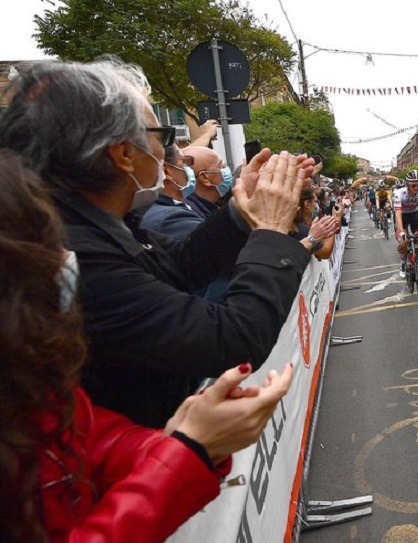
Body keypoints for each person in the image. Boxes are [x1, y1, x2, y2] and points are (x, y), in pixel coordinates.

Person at [0, 150, 293, 543]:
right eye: (45, 249)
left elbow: (89, 438)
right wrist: (188, 451)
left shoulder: (33, 386)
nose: (66, 262)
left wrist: (179, 439)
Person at [0, 59, 316, 427]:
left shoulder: (90, 224)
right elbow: (232, 340)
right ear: (123, 155)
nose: (170, 156)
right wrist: (273, 230)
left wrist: (242, 211)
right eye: (162, 137)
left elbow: (180, 264)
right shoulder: (78, 256)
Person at [140, 143, 205, 240]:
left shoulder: (142, 209)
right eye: (184, 162)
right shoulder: (174, 220)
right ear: (166, 171)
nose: (189, 169)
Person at [394, 169, 418, 277]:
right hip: (401, 216)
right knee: (404, 242)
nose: (416, 188)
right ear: (407, 184)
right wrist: (401, 232)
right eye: (413, 185)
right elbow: (397, 214)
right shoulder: (399, 193)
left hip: (413, 215)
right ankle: (403, 262)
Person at [182, 146, 232, 220]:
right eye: (221, 166)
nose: (226, 168)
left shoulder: (205, 208)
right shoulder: (191, 217)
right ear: (205, 178)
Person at [292, 186, 340, 259]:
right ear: (307, 204)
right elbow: (325, 252)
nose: (317, 206)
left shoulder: (304, 224)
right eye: (316, 201)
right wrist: (333, 222)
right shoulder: (301, 229)